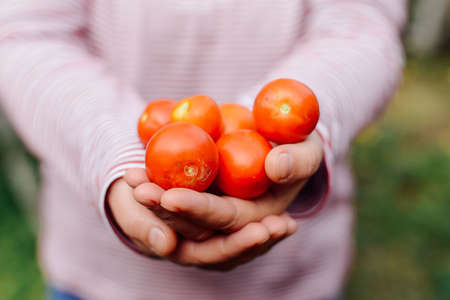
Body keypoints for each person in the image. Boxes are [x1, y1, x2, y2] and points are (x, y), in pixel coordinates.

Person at [0, 1, 407, 299]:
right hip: (101, 274)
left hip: (288, 279)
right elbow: (26, 36)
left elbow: (362, 27)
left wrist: (279, 131)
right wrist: (115, 152)